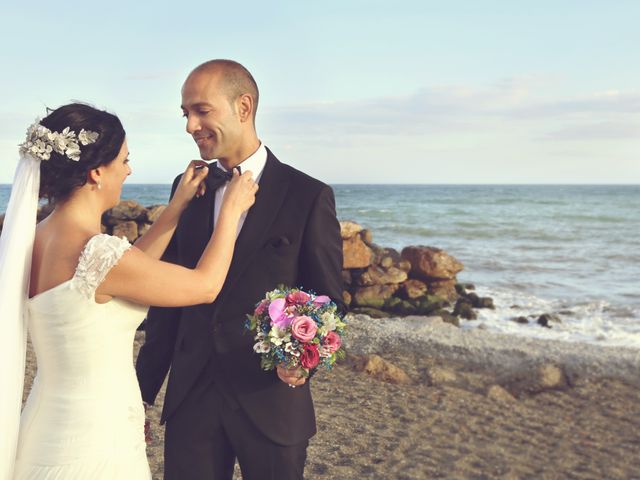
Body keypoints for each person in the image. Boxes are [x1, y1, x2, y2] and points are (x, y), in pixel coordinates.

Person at [0, 102, 258, 480]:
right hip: (96, 443)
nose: (129, 170)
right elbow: (205, 286)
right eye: (124, 160)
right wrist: (231, 212)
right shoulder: (96, 253)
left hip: (45, 430)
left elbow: (124, 272)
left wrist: (176, 207)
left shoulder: (34, 238)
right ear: (95, 173)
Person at [135, 59, 344, 480]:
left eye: (201, 110)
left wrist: (304, 362)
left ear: (243, 107)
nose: (191, 125)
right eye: (186, 114)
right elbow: (166, 301)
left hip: (270, 401)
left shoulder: (307, 194)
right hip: (191, 399)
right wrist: (139, 394)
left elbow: (327, 299)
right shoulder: (187, 186)